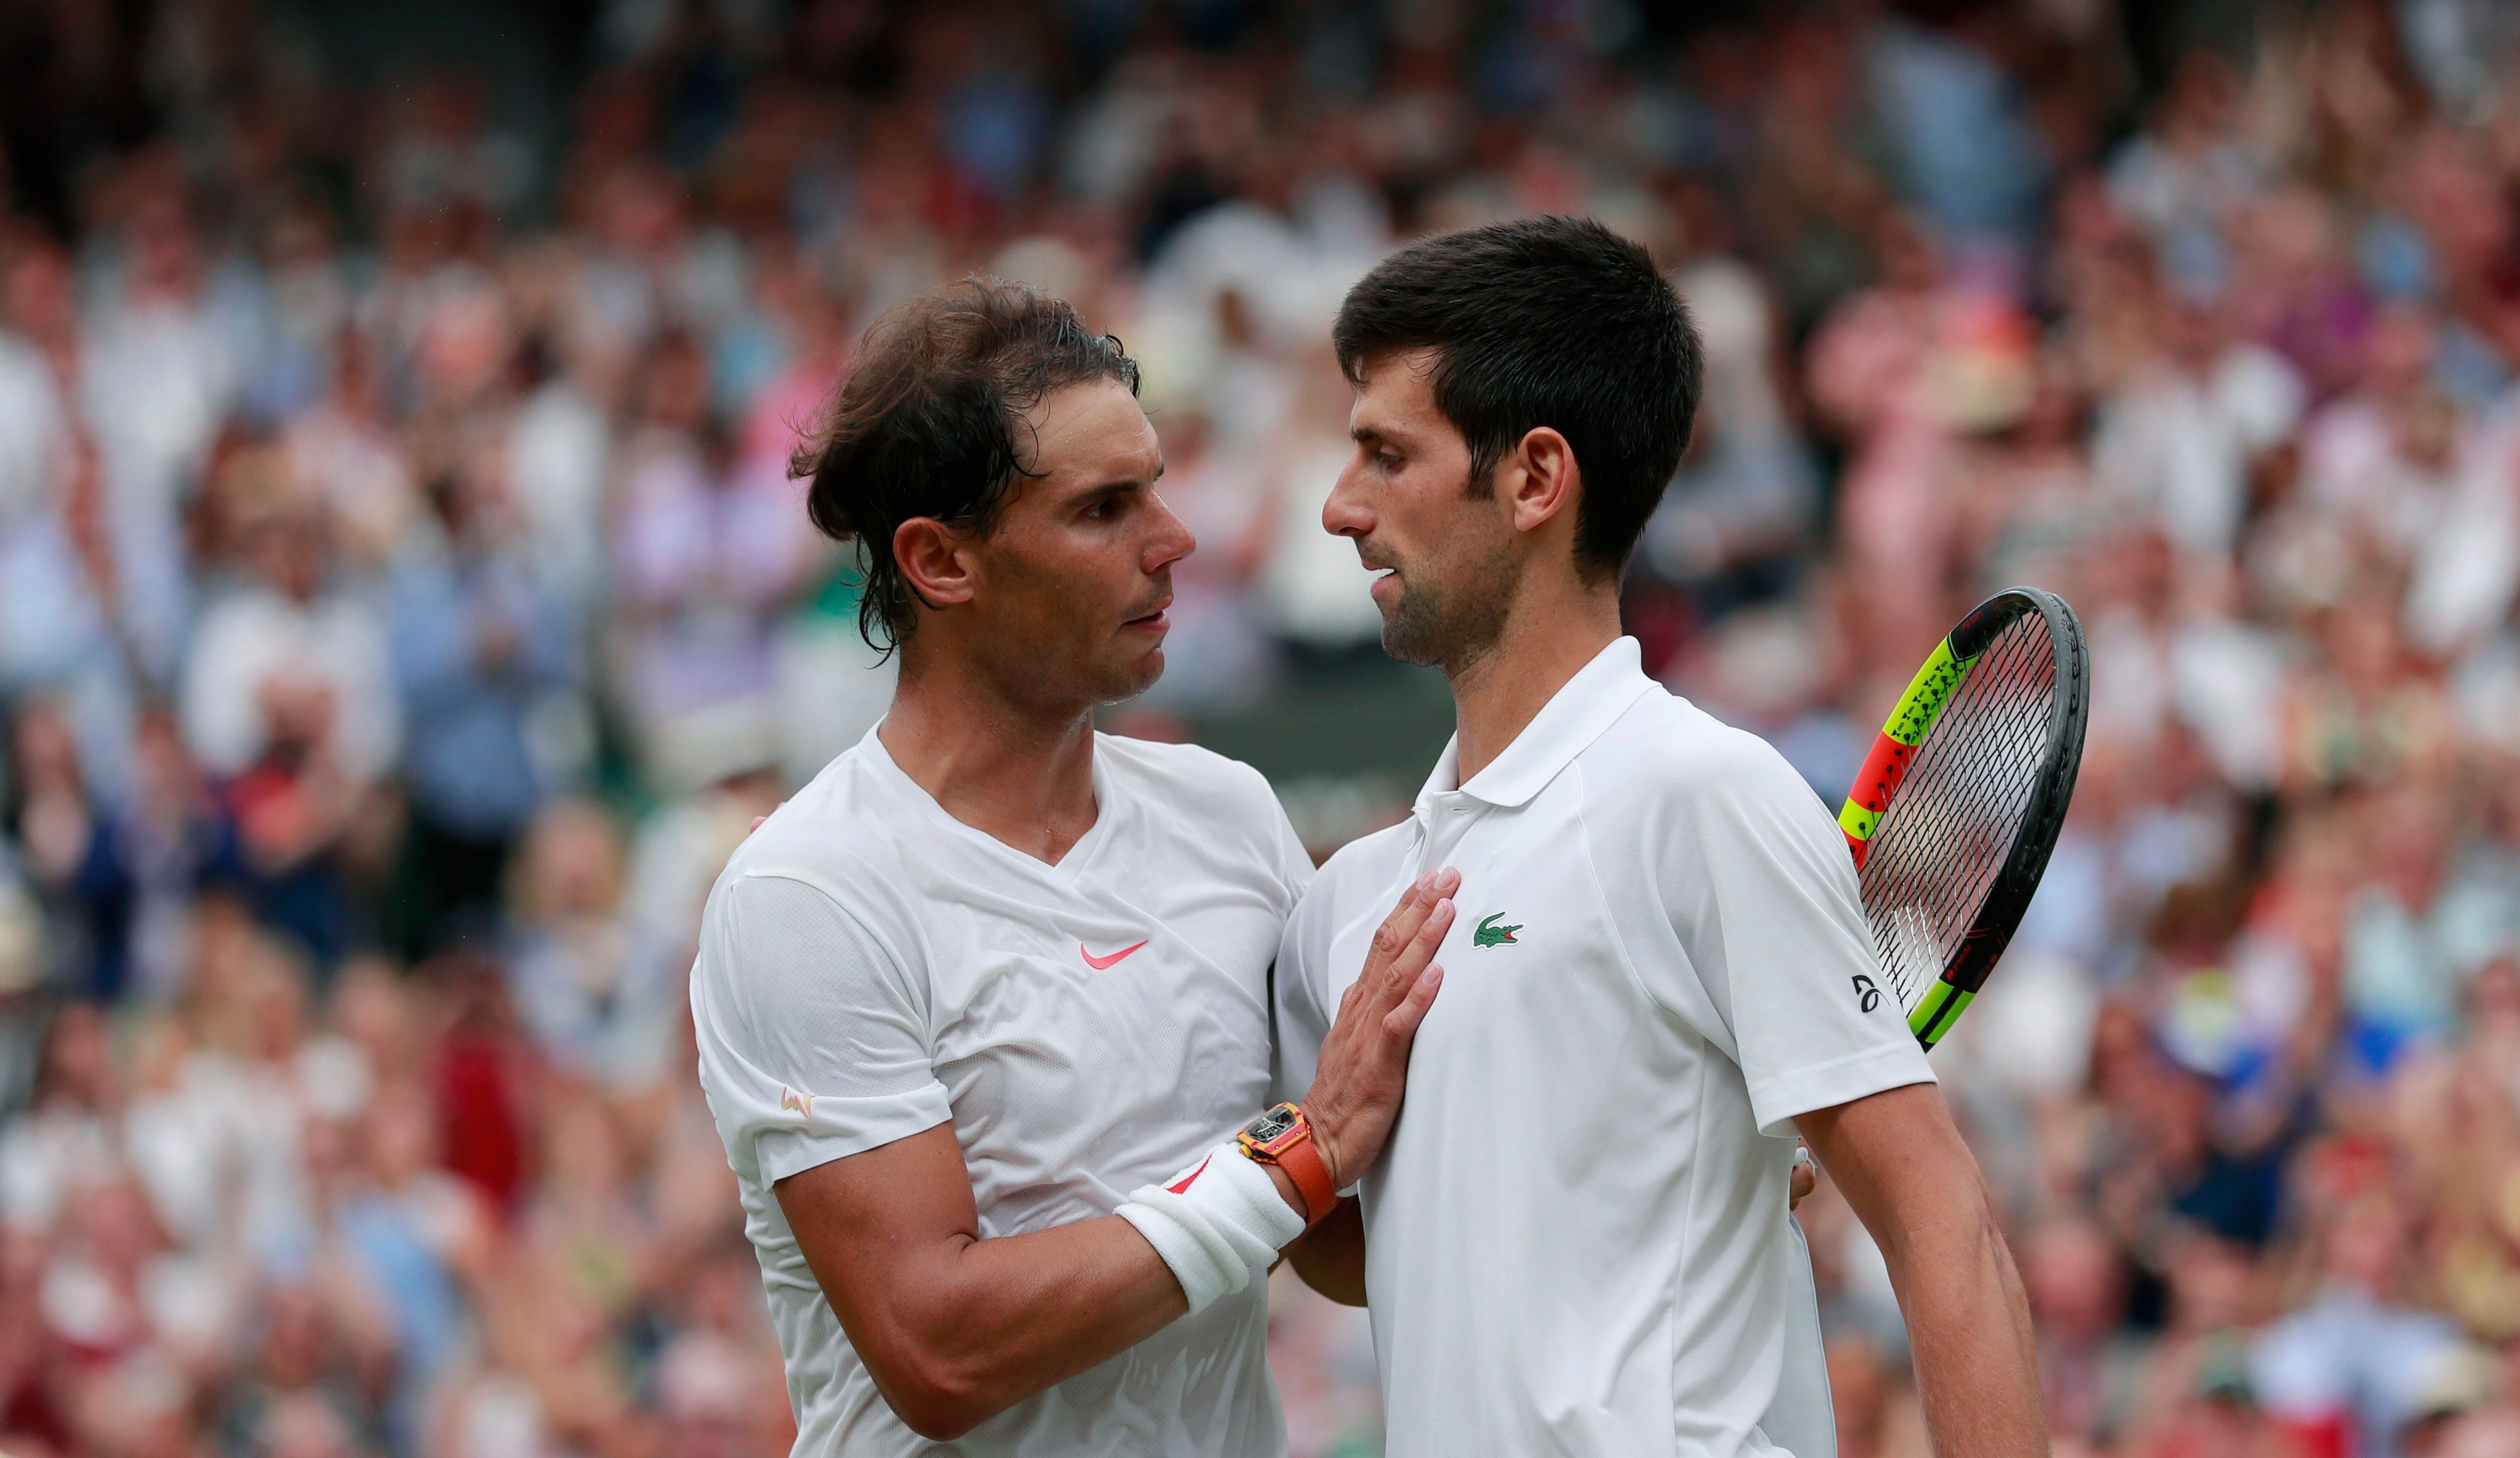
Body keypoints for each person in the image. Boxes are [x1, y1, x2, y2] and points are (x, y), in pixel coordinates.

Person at [1271, 216, 2047, 1456]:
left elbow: (1942, 1225)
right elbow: (1376, 1258)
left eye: (1383, 454)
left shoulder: (1698, 794)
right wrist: (1319, 1149)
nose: (1337, 507)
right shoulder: (1347, 902)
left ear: (1533, 478)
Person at [686, 278, 1457, 1455]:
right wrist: (1300, 1152)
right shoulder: (809, 893)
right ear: (941, 562)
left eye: (1154, 485)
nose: (1174, 540)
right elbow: (939, 1350)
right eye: (1105, 509)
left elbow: (1333, 1239)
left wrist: (1648, 1168)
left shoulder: (1227, 813)